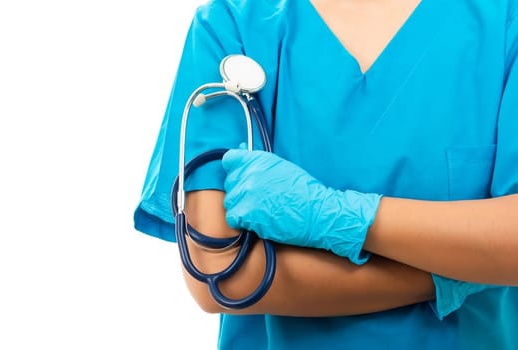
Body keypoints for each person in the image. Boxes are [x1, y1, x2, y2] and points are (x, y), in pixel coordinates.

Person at [133, 0, 518, 348]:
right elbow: (221, 276)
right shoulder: (233, 25)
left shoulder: (504, 22)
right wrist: (458, 272)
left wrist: (331, 213)